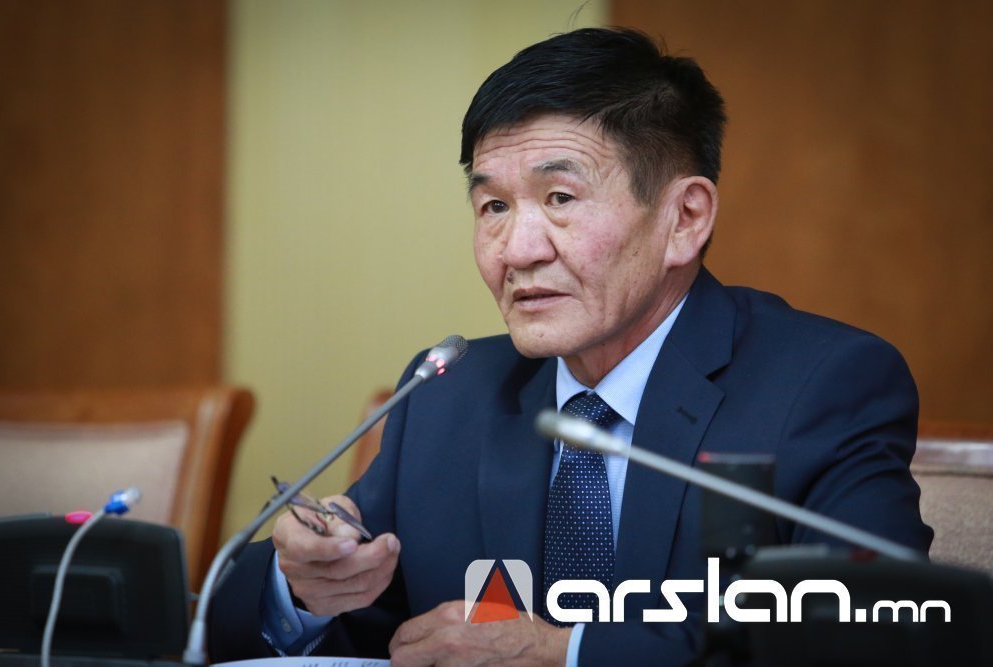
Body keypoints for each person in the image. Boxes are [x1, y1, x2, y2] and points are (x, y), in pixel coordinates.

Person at [209, 27, 932, 666]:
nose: (517, 249)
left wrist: (569, 654)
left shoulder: (821, 384)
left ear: (684, 218)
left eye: (560, 198)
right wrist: (301, 585)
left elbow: (876, 626)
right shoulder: (449, 396)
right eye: (494, 206)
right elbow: (338, 627)